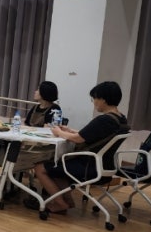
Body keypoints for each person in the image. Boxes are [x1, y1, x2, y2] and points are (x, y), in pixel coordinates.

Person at [28, 81, 130, 214]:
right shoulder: (120, 119)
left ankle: (60, 204)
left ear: (103, 100)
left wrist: (59, 132)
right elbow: (88, 135)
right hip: (105, 165)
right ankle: (67, 201)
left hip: (89, 166)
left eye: (94, 99)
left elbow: (78, 139)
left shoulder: (104, 120)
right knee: (57, 166)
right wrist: (69, 130)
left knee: (40, 167)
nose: (94, 102)